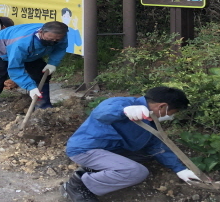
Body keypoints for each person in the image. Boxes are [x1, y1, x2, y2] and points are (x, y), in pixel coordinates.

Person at [61, 86, 199, 202]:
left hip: (110, 151)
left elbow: (156, 146)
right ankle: (78, 184)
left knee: (146, 155)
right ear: (162, 106)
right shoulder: (123, 103)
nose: (172, 117)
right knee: (137, 172)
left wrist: (180, 169)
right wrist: (123, 111)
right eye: (173, 113)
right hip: (85, 149)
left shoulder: (150, 121)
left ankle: (93, 171)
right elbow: (101, 113)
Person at [0, 21, 68, 133]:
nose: (53, 42)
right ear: (41, 32)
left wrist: (53, 63)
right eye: (50, 39)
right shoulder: (21, 43)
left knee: (42, 74)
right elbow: (15, 69)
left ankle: (43, 106)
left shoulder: (60, 35)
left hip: (31, 53)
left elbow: (61, 47)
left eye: (56, 40)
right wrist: (30, 87)